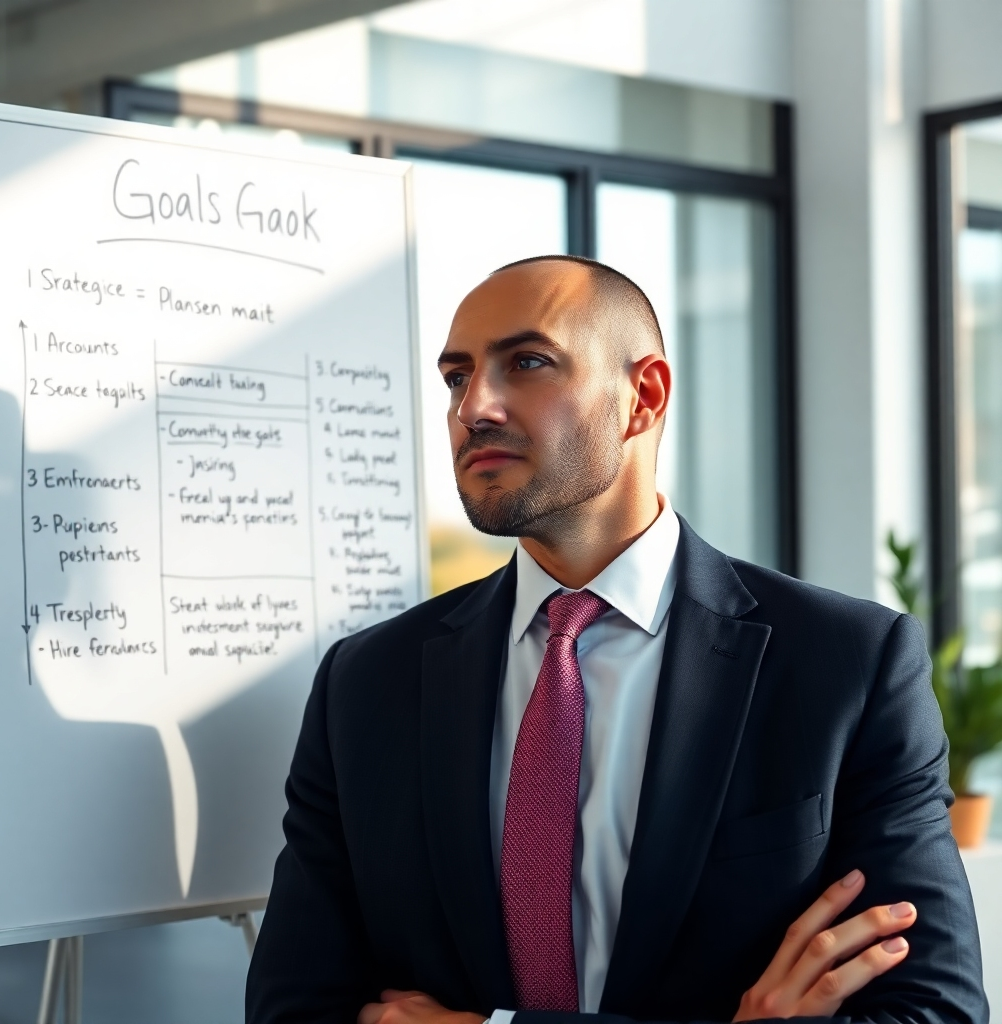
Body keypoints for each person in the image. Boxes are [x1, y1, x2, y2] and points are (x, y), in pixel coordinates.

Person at [246, 256, 986, 1024]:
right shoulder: (367, 682)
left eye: (527, 363)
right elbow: (293, 1008)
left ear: (644, 396)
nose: (475, 408)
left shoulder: (848, 666)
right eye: (457, 378)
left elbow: (935, 1010)